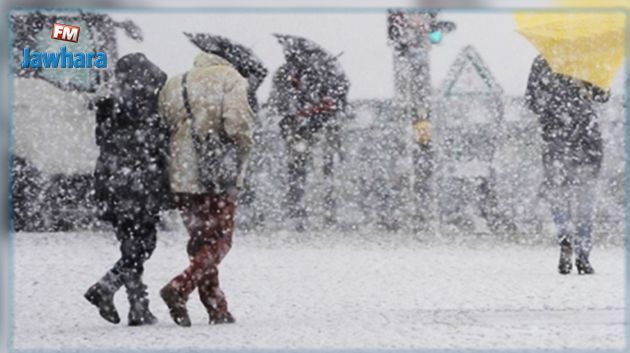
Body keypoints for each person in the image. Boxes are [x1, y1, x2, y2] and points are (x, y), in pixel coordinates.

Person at [157, 52, 254, 326]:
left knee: (201, 241)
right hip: (216, 173)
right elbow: (238, 124)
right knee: (221, 240)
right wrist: (243, 151)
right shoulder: (231, 79)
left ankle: (216, 308)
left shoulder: (175, 83)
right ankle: (180, 287)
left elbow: (164, 124)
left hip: (181, 173)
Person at [84, 53, 170, 325]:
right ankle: (107, 288)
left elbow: (102, 138)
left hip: (110, 180)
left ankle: (138, 306)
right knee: (144, 243)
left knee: (130, 243)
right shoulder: (146, 104)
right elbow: (157, 144)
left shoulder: (108, 103)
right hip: (138, 182)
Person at [525, 55, 610, 275]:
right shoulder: (578, 57)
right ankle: (578, 250)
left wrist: (585, 89)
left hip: (569, 139)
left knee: (570, 196)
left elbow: (603, 95)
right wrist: (570, 92)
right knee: (576, 197)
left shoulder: (548, 60)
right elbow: (533, 101)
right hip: (574, 138)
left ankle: (572, 246)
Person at [268, 49, 349, 230]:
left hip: (312, 127)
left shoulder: (318, 75)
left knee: (312, 169)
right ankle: (303, 212)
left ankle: (318, 211)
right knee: (301, 169)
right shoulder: (317, 74)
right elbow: (279, 102)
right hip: (303, 129)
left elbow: (278, 103)